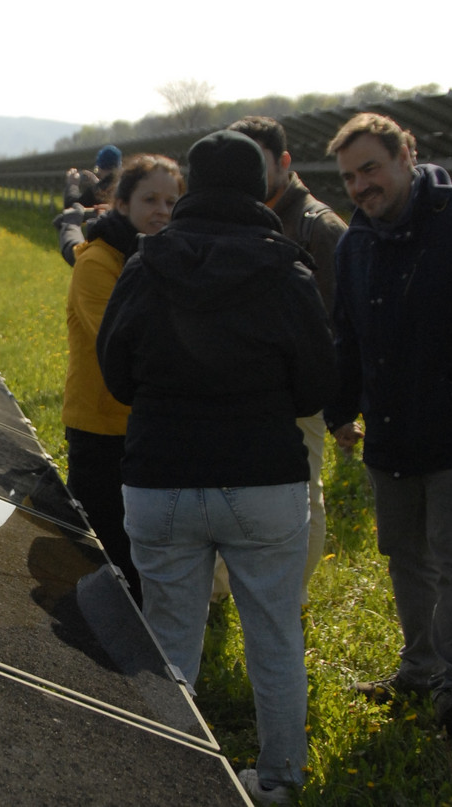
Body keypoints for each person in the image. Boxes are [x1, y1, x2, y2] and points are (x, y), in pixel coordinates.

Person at [97, 130, 337, 803]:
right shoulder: (286, 270)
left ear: (192, 188)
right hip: (264, 479)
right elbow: (316, 386)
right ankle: (279, 777)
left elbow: (115, 374)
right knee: (274, 635)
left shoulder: (145, 265)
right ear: (258, 188)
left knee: (170, 637)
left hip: (159, 476)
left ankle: (167, 774)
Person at [324, 113, 452, 740]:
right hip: (390, 433)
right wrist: (340, 409)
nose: (360, 185)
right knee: (405, 556)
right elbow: (347, 335)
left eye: (371, 168)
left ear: (407, 156)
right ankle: (419, 667)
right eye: (350, 177)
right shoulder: (355, 244)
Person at [200, 116, 348, 607]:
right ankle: (220, 589)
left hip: (296, 391)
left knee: (302, 493)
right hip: (243, 387)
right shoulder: (239, 216)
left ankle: (290, 596)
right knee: (231, 489)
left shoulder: (318, 226)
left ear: (284, 162)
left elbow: (338, 320)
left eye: (257, 163)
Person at [63, 153, 184, 603]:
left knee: (140, 545)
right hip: (100, 426)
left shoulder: (164, 254)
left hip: (146, 422)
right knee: (99, 542)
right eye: (150, 200)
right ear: (122, 203)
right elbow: (122, 344)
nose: (162, 211)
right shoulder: (98, 262)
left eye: (171, 201)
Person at [55, 145, 124, 267]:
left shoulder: (97, 190)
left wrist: (72, 184)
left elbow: (73, 207)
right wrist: (97, 183)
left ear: (100, 166)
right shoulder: (124, 186)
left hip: (101, 251)